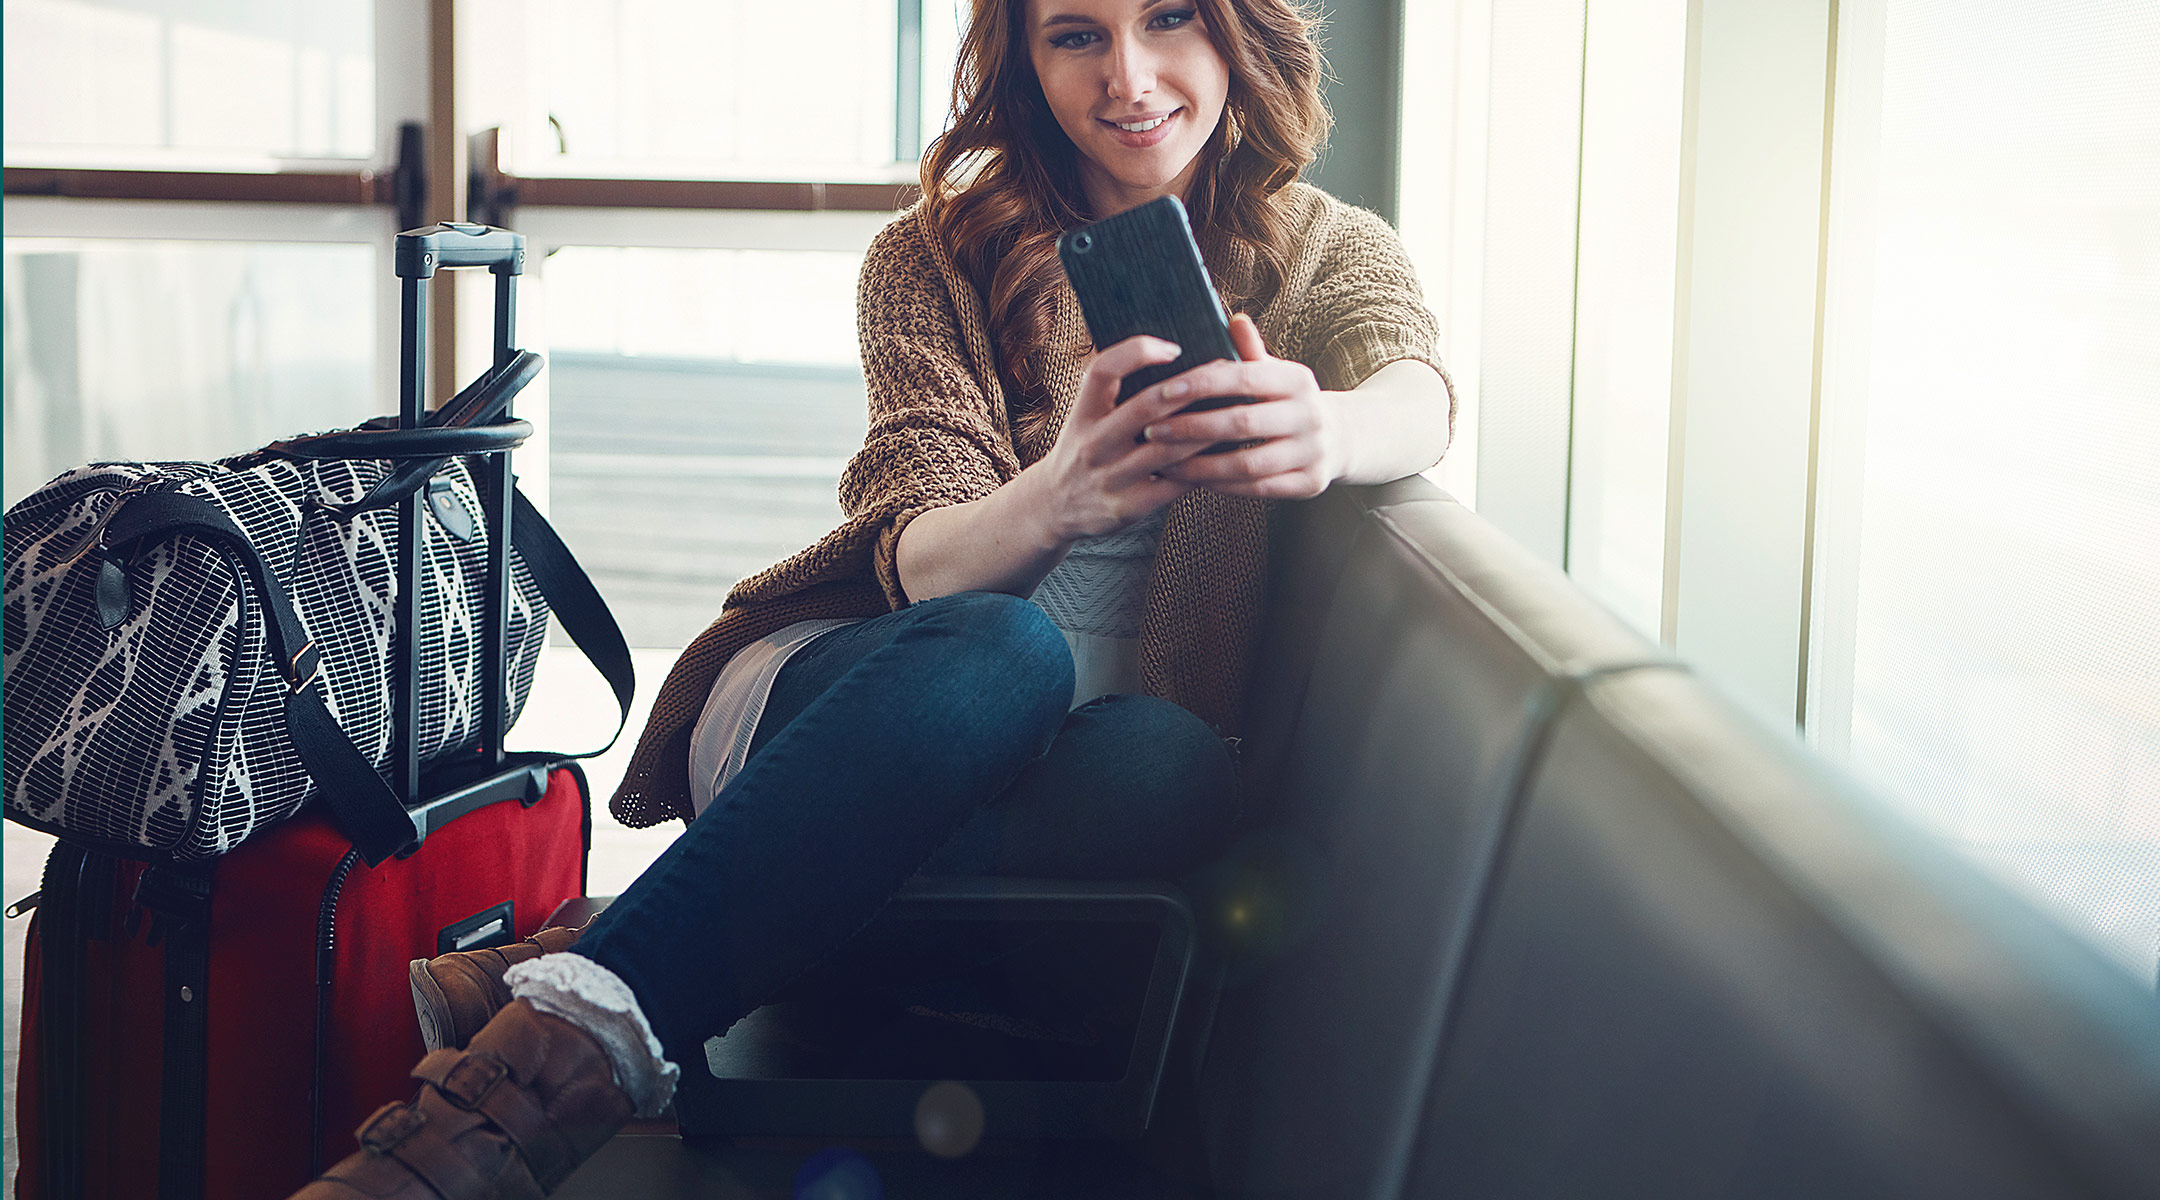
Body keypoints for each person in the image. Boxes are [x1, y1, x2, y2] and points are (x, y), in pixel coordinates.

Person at [295, 0, 1450, 1194]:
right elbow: (922, 562)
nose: (1131, 76)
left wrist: (1332, 426)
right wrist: (1062, 495)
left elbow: (1417, 382)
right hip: (871, 694)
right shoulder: (937, 252)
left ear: (1236, 32)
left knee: (1171, 763)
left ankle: (635, 945)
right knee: (1007, 654)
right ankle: (507, 1106)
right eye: (1075, 35)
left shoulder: (1320, 246)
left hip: (1049, 806)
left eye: (1168, 20)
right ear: (1024, 57)